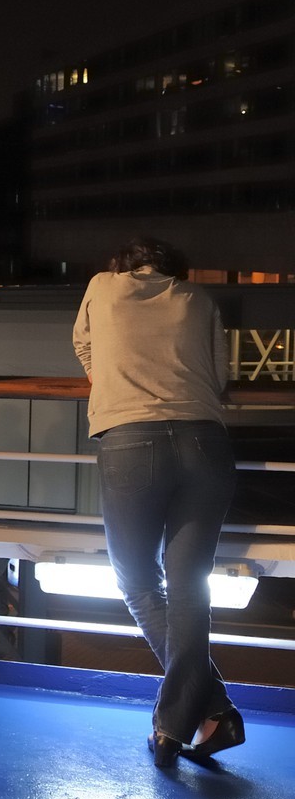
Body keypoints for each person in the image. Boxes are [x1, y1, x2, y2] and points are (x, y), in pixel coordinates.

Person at [73, 237, 245, 767]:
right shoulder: (199, 300)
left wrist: (121, 382)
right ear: (176, 270)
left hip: (130, 441)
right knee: (190, 585)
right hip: (206, 444)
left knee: (138, 581)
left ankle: (180, 724)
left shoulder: (101, 288)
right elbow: (219, 377)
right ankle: (208, 714)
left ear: (121, 266)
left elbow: (85, 350)